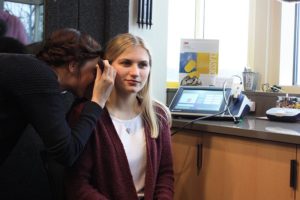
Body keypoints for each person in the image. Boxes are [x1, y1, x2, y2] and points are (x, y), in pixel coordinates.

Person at [65, 33, 174, 200]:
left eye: (143, 65)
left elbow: (165, 175)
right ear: (106, 67)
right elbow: (77, 184)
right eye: (126, 63)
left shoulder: (158, 115)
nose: (135, 72)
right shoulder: (85, 115)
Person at [0, 28, 116, 167]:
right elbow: (67, 153)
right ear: (73, 65)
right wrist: (98, 101)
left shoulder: (33, 71)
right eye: (94, 71)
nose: (97, 79)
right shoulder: (41, 77)